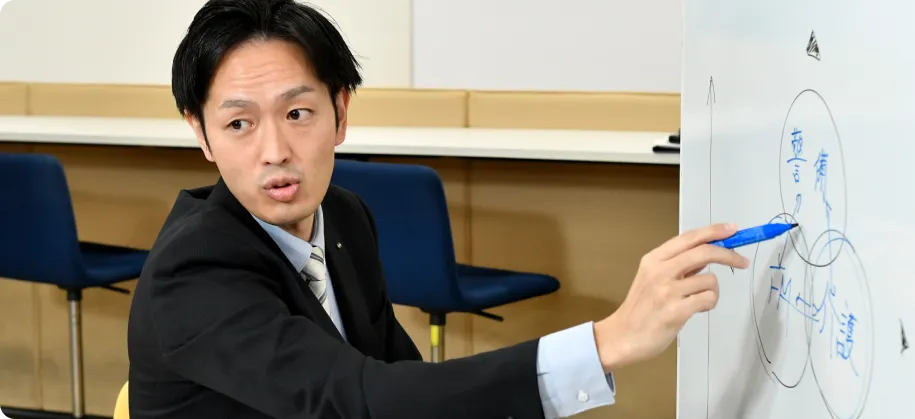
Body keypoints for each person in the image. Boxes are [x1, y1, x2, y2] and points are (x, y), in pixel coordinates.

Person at [125, 0, 750, 418]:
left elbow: (402, 379)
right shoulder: (195, 269)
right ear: (201, 135)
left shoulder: (343, 217)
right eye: (239, 123)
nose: (275, 151)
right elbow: (359, 400)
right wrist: (607, 341)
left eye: (297, 113)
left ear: (341, 112)